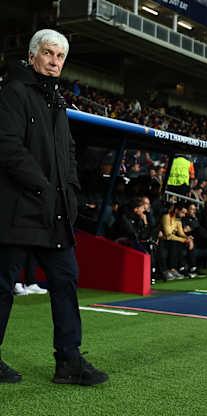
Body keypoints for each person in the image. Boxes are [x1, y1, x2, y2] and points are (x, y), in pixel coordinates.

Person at [0, 29, 107, 385]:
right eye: (48, 53)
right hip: (17, 209)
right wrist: (43, 186)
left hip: (53, 211)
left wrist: (69, 190)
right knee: (1, 286)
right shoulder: (13, 92)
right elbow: (7, 147)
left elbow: (68, 153)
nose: (55, 62)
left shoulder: (58, 101)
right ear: (33, 56)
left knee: (65, 280)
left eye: (60, 57)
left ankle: (69, 362)